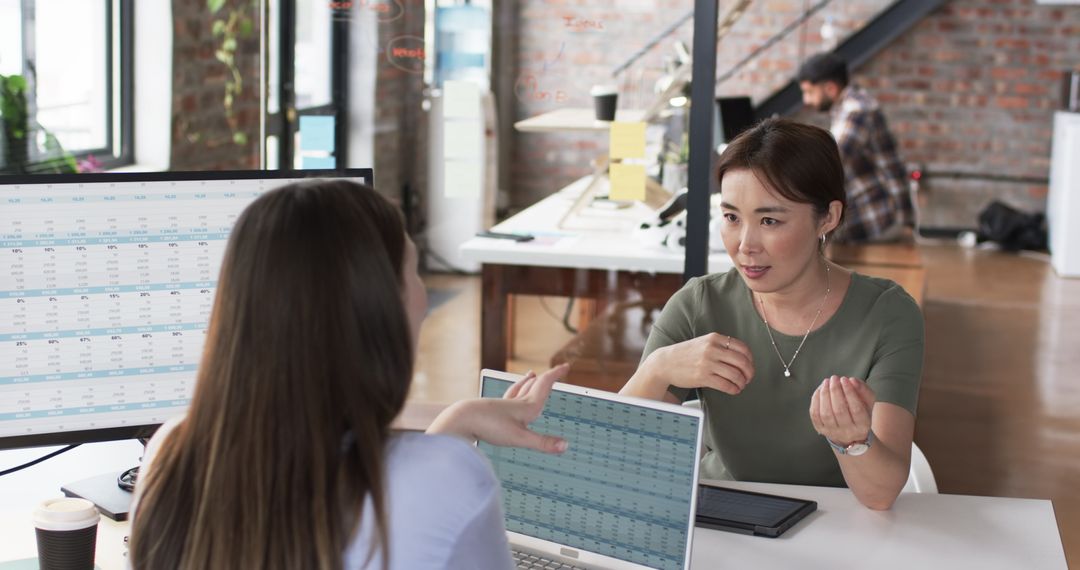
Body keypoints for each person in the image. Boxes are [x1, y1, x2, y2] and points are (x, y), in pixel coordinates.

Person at [128, 179, 569, 569]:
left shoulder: (170, 455)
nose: (423, 294)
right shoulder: (449, 480)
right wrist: (447, 451)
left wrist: (457, 423)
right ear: (378, 310)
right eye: (412, 273)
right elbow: (420, 502)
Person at [620, 118, 924, 510]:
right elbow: (615, 451)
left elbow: (880, 494)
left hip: (837, 524)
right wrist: (657, 369)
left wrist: (853, 441)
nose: (746, 245)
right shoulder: (699, 304)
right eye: (731, 217)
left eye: (769, 221)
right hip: (722, 516)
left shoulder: (888, 315)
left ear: (828, 218)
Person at [797, 52, 914, 243]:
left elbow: (828, 160)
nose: (806, 100)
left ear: (830, 88)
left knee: (810, 242)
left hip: (879, 217)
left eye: (809, 92)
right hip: (874, 212)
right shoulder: (848, 107)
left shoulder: (857, 111)